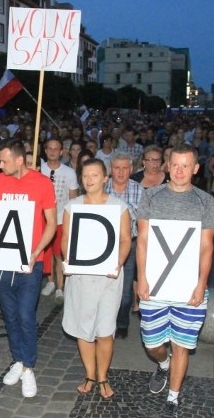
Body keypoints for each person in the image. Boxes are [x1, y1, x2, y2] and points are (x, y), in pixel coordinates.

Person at [136, 144, 214, 418]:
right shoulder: (151, 197)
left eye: (187, 165)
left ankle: (173, 399)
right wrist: (142, 277)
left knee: (181, 344)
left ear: (196, 168)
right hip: (155, 284)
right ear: (167, 166)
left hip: (188, 286)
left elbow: (207, 247)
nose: (180, 171)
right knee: (153, 344)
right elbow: (144, 240)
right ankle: (163, 364)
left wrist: (201, 285)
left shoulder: (205, 201)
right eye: (176, 165)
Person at [0, 139, 57, 398]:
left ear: (19, 160)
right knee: (10, 315)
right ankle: (17, 359)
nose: (0, 165)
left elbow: (51, 222)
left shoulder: (41, 183)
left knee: (26, 316)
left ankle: (28, 367)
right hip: (3, 259)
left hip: (30, 263)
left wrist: (37, 252)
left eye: (4, 160)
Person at [61, 158, 131, 399]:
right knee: (83, 327)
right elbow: (66, 240)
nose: (89, 180)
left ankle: (103, 376)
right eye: (85, 176)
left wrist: (118, 262)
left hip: (108, 278)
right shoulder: (72, 207)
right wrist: (68, 261)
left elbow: (124, 240)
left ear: (105, 178)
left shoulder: (118, 207)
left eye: (94, 175)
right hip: (81, 277)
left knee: (105, 329)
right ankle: (90, 374)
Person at [106, 153, 143, 339]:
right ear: (110, 169)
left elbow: (144, 221)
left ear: (131, 169)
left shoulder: (140, 190)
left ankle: (122, 323)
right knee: (104, 288)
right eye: (116, 168)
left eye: (124, 168)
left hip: (130, 245)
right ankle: (105, 324)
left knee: (126, 291)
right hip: (104, 245)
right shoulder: (100, 188)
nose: (120, 172)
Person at [40, 137, 79, 301]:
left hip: (61, 219)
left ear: (61, 151)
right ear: (45, 150)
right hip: (42, 219)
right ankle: (49, 281)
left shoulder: (69, 173)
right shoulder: (38, 170)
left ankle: (60, 286)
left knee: (59, 254)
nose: (53, 151)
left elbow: (72, 198)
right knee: (46, 252)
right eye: (50, 148)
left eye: (56, 149)